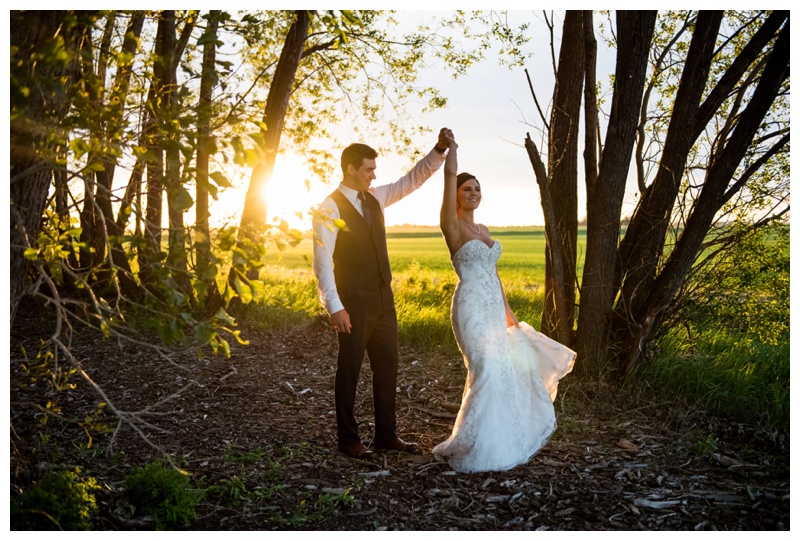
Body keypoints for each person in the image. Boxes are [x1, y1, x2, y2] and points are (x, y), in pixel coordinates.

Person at [431, 133, 576, 473]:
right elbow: (449, 176)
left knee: (500, 369)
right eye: (467, 188)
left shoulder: (484, 228)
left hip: (494, 308)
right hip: (469, 307)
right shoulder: (450, 224)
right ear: (455, 194)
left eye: (478, 188)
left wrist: (509, 314)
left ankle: (495, 439)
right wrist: (451, 150)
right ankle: (467, 442)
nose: (474, 193)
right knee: (483, 367)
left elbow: (494, 276)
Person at [312, 128, 453, 459]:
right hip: (353, 303)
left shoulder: (375, 197)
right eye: (368, 170)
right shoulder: (329, 209)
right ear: (350, 169)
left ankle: (386, 436)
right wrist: (334, 306)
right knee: (349, 370)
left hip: (383, 301)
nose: (373, 176)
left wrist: (438, 150)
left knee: (388, 367)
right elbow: (322, 264)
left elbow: (410, 181)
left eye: (374, 170)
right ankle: (348, 440)